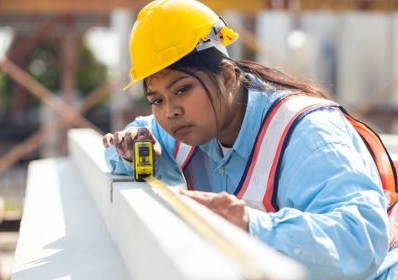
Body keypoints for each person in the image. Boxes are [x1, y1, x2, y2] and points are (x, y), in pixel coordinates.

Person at [103, 0, 398, 279]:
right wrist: (130, 152)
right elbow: (132, 137)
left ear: (228, 77)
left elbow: (362, 240)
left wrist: (251, 227)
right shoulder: (187, 127)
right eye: (156, 100)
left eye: (182, 89)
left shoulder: (306, 134)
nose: (170, 112)